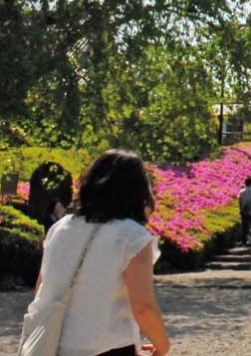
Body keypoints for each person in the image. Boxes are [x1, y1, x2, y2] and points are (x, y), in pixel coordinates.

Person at [24, 148, 171, 356]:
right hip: (105, 347)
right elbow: (143, 307)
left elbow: (42, 289)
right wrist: (162, 347)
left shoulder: (61, 227)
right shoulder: (132, 237)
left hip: (52, 344)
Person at [237, 176, 251, 245]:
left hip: (244, 211)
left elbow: (239, 201)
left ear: (245, 183)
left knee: (245, 227)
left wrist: (241, 209)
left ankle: (244, 241)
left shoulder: (241, 191)